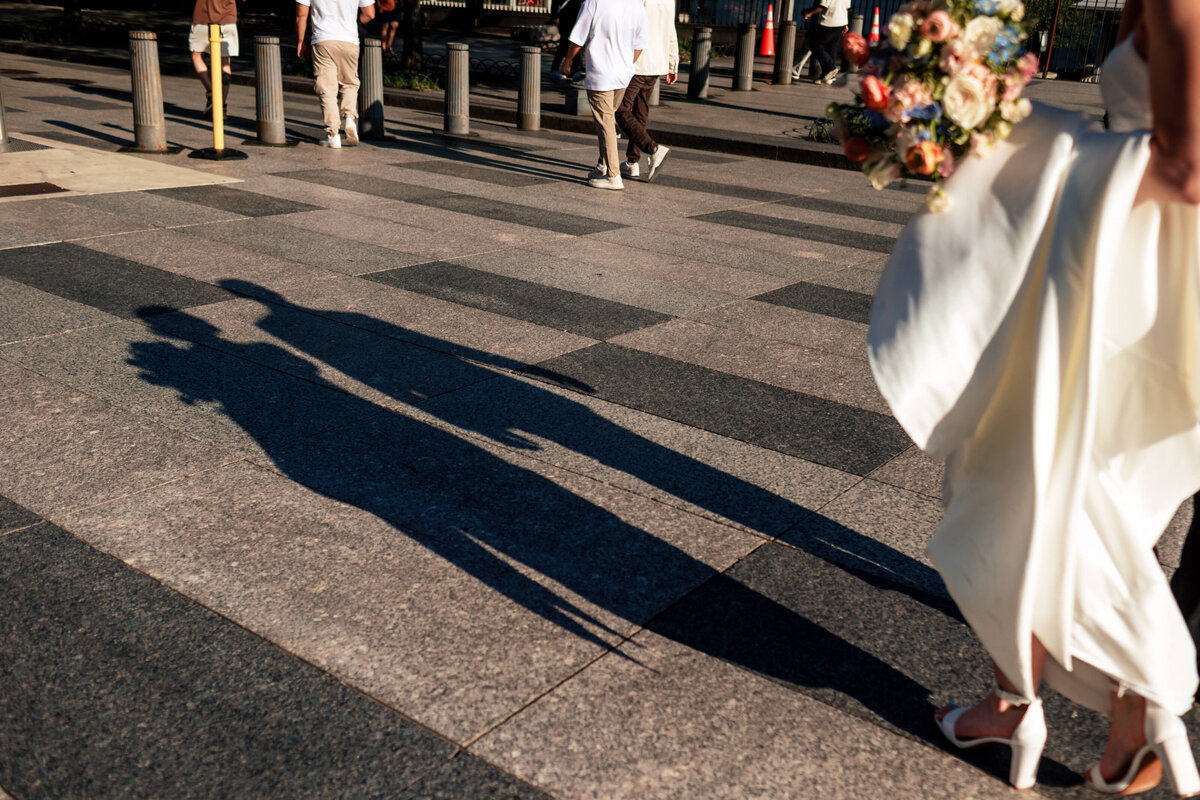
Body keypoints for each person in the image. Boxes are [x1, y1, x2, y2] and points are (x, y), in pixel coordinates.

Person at [867, 0, 1200, 794]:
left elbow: (1185, 169)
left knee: (1022, 474)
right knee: (1085, 492)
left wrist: (1007, 139)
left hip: (1140, 284)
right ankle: (1129, 733)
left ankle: (1027, 705)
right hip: (1141, 274)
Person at [560, 0, 646, 190]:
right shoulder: (636, 4)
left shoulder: (594, 2)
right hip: (623, 74)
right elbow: (640, 44)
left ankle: (613, 176)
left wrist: (567, 61)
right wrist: (624, 63)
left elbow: (577, 38)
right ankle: (602, 165)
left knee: (605, 121)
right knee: (607, 120)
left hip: (601, 73)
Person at [295, 0, 375, 148]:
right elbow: (370, 14)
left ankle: (333, 134)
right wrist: (350, 21)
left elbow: (301, 15)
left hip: (323, 40)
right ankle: (350, 118)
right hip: (349, 40)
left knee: (327, 89)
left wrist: (301, 41)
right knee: (350, 83)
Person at [614, 0, 677, 182]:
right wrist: (672, 63)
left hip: (638, 62)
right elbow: (670, 29)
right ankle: (632, 162)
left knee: (620, 108)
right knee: (640, 112)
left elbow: (628, 25)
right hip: (657, 63)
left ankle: (653, 149)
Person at [189, 0, 239, 116]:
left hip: (203, 17)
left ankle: (212, 95)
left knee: (196, 55)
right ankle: (221, 106)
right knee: (225, 61)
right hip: (228, 19)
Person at [801, 0, 848, 85]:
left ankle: (830, 68)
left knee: (815, 44)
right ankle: (828, 77)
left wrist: (809, 12)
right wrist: (846, 23)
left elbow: (822, 6)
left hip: (829, 22)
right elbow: (846, 7)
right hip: (841, 22)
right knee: (831, 47)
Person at [549, 0, 583, 79]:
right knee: (564, 44)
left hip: (576, 18)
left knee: (577, 43)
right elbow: (555, 3)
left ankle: (574, 70)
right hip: (564, 18)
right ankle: (555, 69)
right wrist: (555, 16)